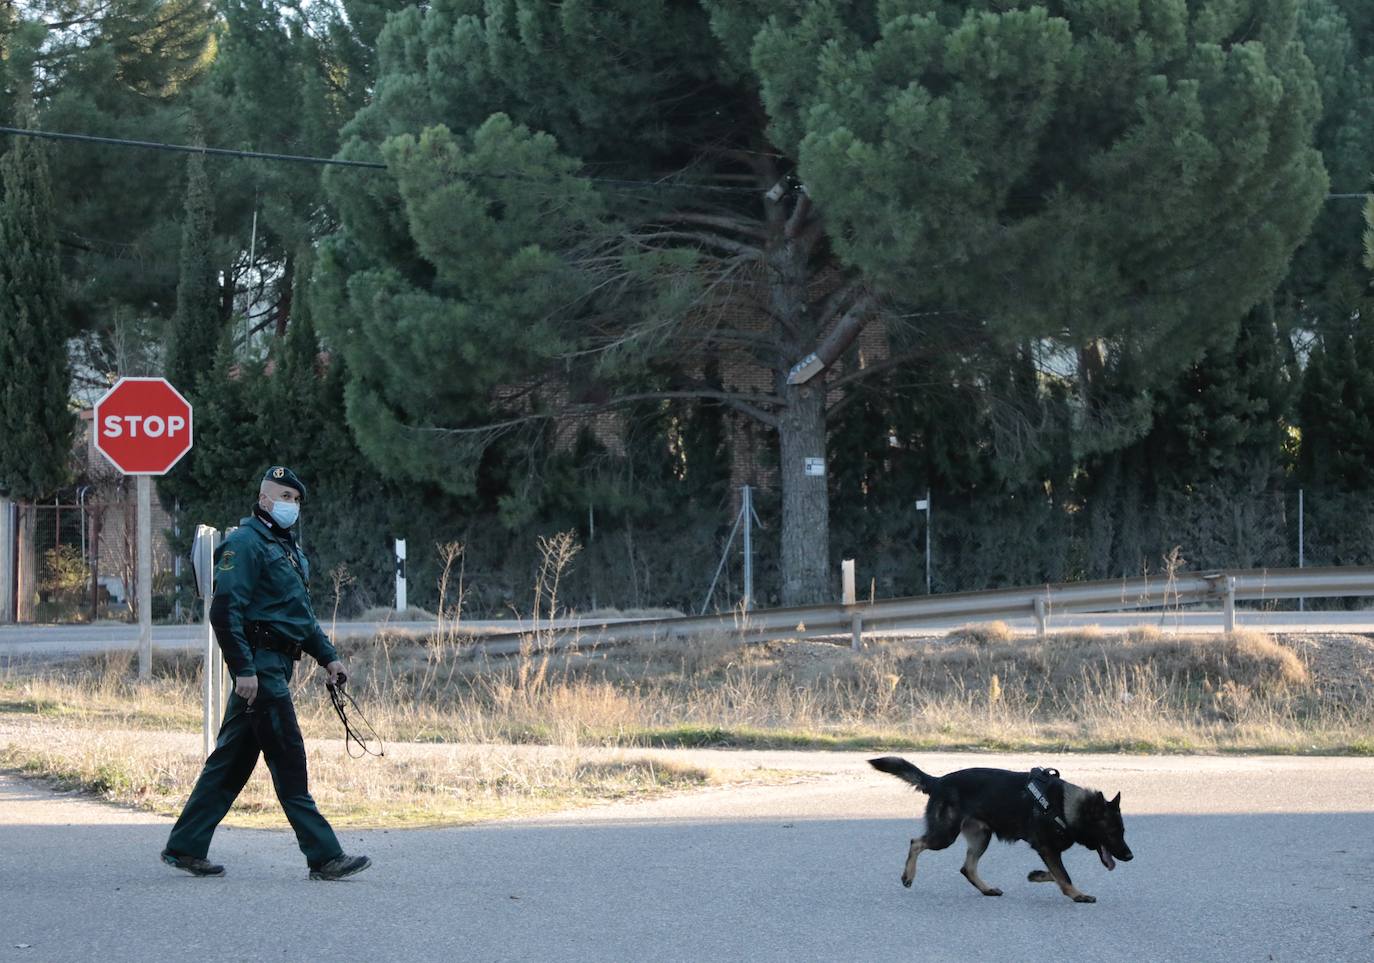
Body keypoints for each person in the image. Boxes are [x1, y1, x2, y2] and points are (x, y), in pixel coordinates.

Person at [161, 466, 370, 881]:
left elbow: (301, 618)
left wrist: (329, 658)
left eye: (295, 499)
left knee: (229, 764)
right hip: (260, 669)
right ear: (263, 500)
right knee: (289, 759)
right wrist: (243, 669)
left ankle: (185, 846)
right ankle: (325, 856)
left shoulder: (289, 550)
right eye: (283, 496)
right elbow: (225, 611)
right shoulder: (245, 544)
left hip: (275, 665)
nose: (290, 505)